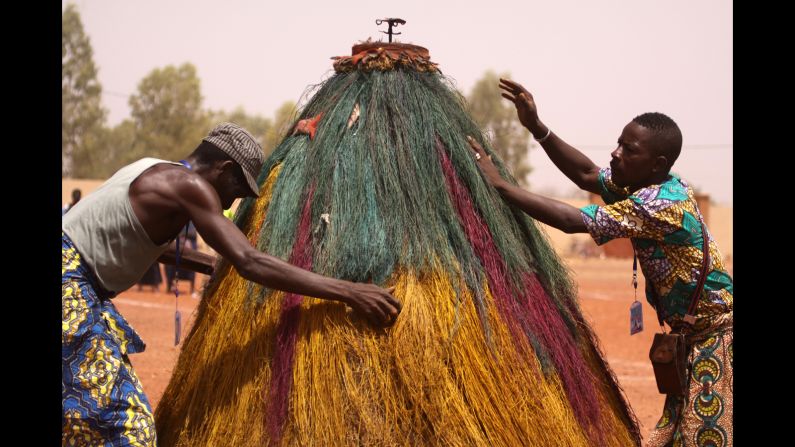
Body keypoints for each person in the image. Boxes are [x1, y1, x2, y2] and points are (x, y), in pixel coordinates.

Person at [62, 122, 401, 446]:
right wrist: (349, 292)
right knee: (127, 426)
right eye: (238, 188)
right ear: (224, 169)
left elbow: (143, 240)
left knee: (82, 416)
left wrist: (212, 265)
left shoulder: (152, 167)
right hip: (71, 289)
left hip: (77, 283)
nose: (234, 202)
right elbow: (250, 261)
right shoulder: (190, 186)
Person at [467, 79, 733, 446]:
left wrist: (500, 187)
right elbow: (587, 175)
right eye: (619, 143)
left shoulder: (661, 205)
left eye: (629, 149)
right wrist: (537, 127)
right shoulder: (647, 187)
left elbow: (573, 221)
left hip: (716, 342)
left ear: (656, 163)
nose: (615, 153)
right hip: (693, 339)